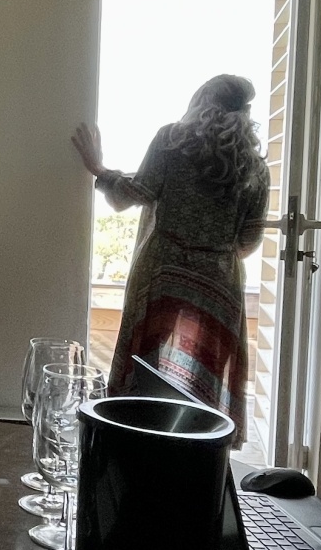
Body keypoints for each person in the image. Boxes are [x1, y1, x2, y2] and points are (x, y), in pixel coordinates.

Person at [73, 74, 269, 442]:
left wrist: (99, 169)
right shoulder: (255, 168)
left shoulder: (171, 140)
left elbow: (136, 192)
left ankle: (136, 441)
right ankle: (201, 446)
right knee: (206, 373)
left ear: (201, 100)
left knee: (146, 364)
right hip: (219, 281)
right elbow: (249, 239)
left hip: (162, 272)